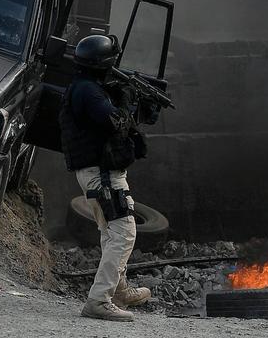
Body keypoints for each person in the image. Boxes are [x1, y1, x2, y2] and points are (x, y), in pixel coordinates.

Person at [59, 34, 152, 322]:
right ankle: (98, 301)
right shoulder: (89, 92)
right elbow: (115, 122)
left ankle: (119, 291)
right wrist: (125, 101)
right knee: (124, 233)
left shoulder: (87, 87)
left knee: (111, 233)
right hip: (102, 176)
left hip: (100, 173)